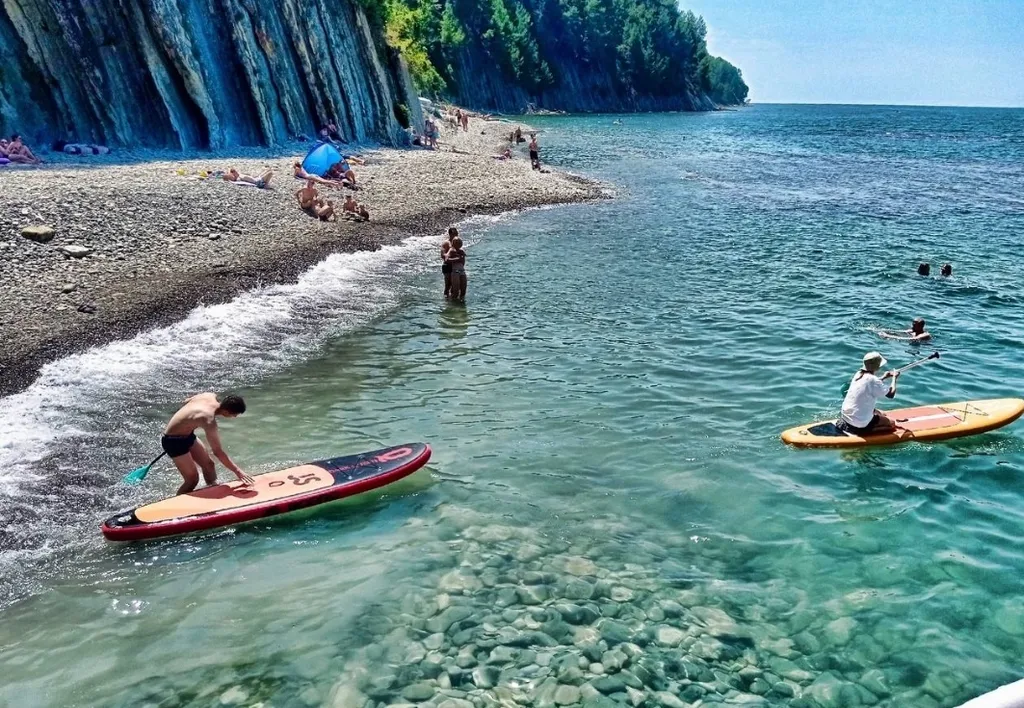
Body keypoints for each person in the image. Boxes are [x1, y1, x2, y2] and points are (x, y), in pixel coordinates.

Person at [162, 393, 253, 494]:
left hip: (188, 436)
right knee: (192, 480)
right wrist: (238, 472)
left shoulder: (209, 395)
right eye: (234, 415)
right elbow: (217, 452)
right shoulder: (209, 420)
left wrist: (186, 420)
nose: (235, 417)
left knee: (209, 465)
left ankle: (212, 489)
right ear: (226, 412)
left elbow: (187, 401)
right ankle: (177, 504)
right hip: (172, 441)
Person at [838, 352, 899, 435]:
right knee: (892, 423)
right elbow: (891, 394)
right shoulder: (873, 380)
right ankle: (864, 431)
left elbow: (870, 383)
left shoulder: (858, 374)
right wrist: (894, 378)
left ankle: (855, 426)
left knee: (883, 413)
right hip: (859, 423)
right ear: (877, 366)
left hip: (845, 416)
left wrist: (884, 377)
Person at [447, 233, 467, 302]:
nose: (459, 244)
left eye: (459, 243)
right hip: (455, 271)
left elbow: (463, 262)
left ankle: (461, 304)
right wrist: (457, 259)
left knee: (463, 291)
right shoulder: (451, 250)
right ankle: (452, 303)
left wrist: (461, 258)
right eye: (457, 243)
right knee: (456, 292)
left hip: (462, 271)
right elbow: (447, 259)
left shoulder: (462, 251)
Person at [441, 232, 454, 298]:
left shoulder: (456, 242)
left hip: (454, 266)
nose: (455, 236)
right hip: (447, 265)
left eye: (456, 234)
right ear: (450, 234)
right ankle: (446, 300)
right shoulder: (446, 243)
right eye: (454, 234)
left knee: (453, 285)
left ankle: (452, 299)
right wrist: (448, 256)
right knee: (447, 285)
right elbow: (442, 255)